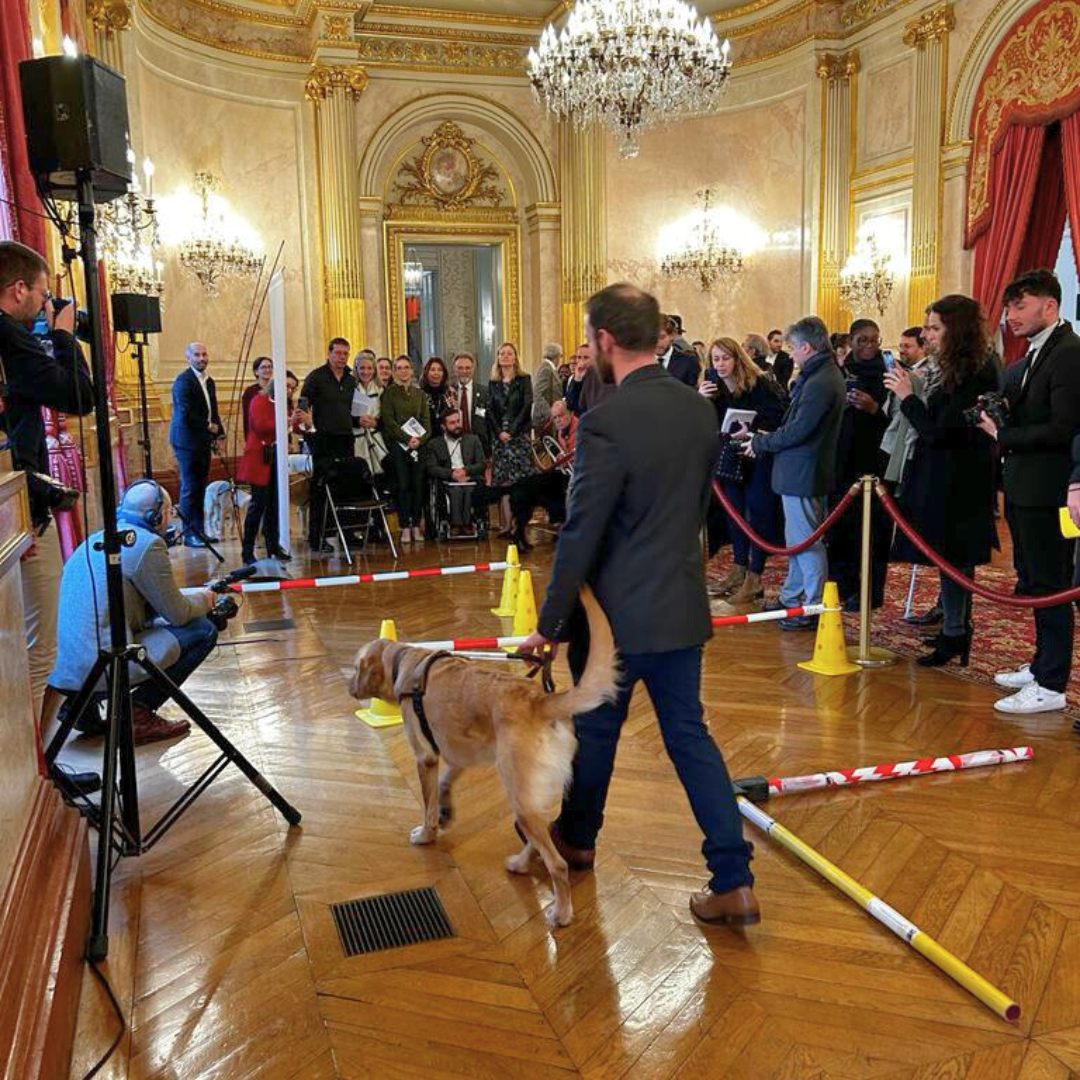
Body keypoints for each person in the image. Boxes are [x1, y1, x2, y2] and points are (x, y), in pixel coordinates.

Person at [518, 283, 758, 926]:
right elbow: (697, 509)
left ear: (603, 340)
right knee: (690, 736)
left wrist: (547, 625)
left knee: (596, 733)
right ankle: (733, 877)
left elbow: (581, 528)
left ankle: (575, 839)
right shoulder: (699, 411)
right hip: (680, 604)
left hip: (615, 620)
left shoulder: (606, 421)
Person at [50, 481, 231, 744]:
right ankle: (139, 712)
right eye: (169, 512)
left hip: (67, 671)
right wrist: (207, 600)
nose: (170, 519)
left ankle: (82, 707)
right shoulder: (147, 544)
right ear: (156, 515)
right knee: (203, 630)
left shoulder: (96, 539)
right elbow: (177, 614)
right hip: (104, 665)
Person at [0, 240, 94, 728]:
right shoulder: (10, 339)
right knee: (38, 645)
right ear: (18, 290)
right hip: (15, 512)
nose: (44, 306)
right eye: (41, 295)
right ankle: (35, 772)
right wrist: (62, 336)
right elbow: (80, 395)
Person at [982, 270, 1080, 714]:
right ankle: (1042, 664)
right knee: (1035, 581)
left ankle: (1052, 684)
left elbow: (1064, 428)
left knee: (1052, 584)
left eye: (1020, 306)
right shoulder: (1038, 352)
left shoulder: (1068, 353)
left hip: (1050, 491)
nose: (1010, 316)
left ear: (1050, 306)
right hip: (1025, 487)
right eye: (1008, 307)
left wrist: (1002, 434)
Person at [885, 296, 999, 668]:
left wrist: (907, 398)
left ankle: (956, 632)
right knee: (949, 557)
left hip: (959, 481)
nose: (927, 335)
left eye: (935, 328)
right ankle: (953, 628)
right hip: (943, 477)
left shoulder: (974, 372)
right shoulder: (945, 368)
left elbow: (940, 430)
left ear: (957, 330)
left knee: (956, 557)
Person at [737, 317, 845, 630]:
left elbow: (800, 430)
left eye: (793, 348)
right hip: (801, 470)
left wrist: (761, 442)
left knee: (806, 543)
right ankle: (793, 596)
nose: (791, 354)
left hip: (804, 471)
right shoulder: (820, 374)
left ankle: (811, 607)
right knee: (798, 539)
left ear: (806, 347)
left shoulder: (821, 380)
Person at [700, 338, 787, 606]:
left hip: (756, 456)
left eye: (726, 358)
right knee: (733, 514)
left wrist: (750, 430)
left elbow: (777, 416)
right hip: (728, 459)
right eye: (715, 359)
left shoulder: (758, 382)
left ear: (738, 359)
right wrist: (700, 400)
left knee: (757, 513)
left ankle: (754, 577)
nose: (720, 364)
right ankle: (738, 569)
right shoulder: (714, 388)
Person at [828, 318, 890, 611]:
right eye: (862, 340)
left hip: (874, 462)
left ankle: (869, 592)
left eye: (874, 340)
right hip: (842, 459)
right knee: (841, 528)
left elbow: (899, 422)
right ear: (850, 341)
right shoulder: (839, 371)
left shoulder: (889, 373)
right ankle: (842, 586)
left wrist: (874, 408)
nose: (869, 346)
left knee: (871, 532)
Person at [300, 337, 357, 552]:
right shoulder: (316, 377)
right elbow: (303, 406)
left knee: (346, 487)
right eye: (338, 353)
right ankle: (317, 538)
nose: (342, 357)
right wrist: (309, 426)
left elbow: (354, 411)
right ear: (329, 353)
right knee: (320, 489)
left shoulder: (351, 380)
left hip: (345, 439)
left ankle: (346, 534)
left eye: (345, 354)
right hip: (323, 440)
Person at [169, 341, 224, 546]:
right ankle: (190, 534)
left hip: (202, 440)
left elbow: (213, 409)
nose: (202, 358)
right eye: (197, 355)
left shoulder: (209, 381)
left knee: (199, 487)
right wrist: (209, 426)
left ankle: (199, 531)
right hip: (186, 441)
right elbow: (186, 413)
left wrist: (219, 433)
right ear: (188, 357)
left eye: (204, 354)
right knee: (190, 488)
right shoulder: (183, 381)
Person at [237, 375, 289, 565]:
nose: (289, 392)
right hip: (260, 458)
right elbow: (261, 426)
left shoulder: (284, 405)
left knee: (275, 506)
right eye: (287, 387)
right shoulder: (259, 400)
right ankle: (247, 550)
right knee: (258, 506)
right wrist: (286, 421)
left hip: (276, 457)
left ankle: (273, 547)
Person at [381, 354, 431, 545]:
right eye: (399, 368)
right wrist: (406, 438)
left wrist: (419, 439)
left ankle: (417, 524)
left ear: (412, 370)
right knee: (403, 486)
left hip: (418, 446)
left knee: (418, 485)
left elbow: (426, 421)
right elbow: (389, 421)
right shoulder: (390, 393)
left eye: (406, 367)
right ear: (394, 372)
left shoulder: (419, 395)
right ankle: (404, 526)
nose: (403, 371)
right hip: (398, 446)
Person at [488, 342, 535, 533]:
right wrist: (500, 432)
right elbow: (490, 411)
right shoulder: (493, 383)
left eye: (510, 353)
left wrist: (512, 432)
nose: (506, 356)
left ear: (515, 357)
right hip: (500, 440)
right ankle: (506, 525)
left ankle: (519, 524)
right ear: (498, 358)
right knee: (504, 483)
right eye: (502, 354)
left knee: (519, 483)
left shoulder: (524, 379)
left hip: (519, 437)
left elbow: (526, 406)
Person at [425, 407, 486, 532]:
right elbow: (431, 468)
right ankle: (457, 525)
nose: (457, 425)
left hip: (469, 478)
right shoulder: (434, 444)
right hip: (448, 480)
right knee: (456, 489)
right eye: (452, 423)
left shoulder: (473, 440)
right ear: (443, 426)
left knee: (468, 488)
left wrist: (465, 471)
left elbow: (482, 464)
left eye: (458, 421)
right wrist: (451, 474)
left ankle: (468, 524)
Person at [352, 351, 388, 484]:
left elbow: (387, 418)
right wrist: (357, 421)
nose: (366, 372)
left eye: (369, 368)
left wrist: (376, 423)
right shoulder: (352, 388)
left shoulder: (381, 390)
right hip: (357, 440)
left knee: (380, 476)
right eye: (362, 368)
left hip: (377, 438)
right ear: (356, 369)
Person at [450, 351, 490, 457]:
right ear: (454, 370)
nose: (464, 371)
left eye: (468, 368)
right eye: (460, 368)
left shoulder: (485, 392)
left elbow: (491, 422)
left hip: (480, 448)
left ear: (473, 369)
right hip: (453, 447)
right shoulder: (448, 391)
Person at [564, 340, 615, 415]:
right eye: (579, 357)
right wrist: (577, 380)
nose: (581, 361)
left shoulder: (603, 378)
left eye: (586, 358)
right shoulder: (575, 377)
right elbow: (570, 405)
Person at [656, 314, 699, 386]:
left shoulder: (688, 361)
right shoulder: (640, 362)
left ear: (672, 336)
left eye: (661, 337)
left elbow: (693, 393)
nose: (656, 342)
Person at [532, 342, 563, 431]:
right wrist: (551, 414)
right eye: (561, 356)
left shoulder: (549, 368)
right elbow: (538, 394)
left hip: (549, 420)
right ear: (557, 356)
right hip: (545, 421)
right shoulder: (546, 369)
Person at [420, 356, 453, 438]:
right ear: (426, 372)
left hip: (445, 440)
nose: (436, 373)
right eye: (432, 370)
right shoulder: (419, 394)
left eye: (440, 370)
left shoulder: (449, 393)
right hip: (425, 440)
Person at [241, 356, 272, 439]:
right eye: (263, 367)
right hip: (256, 437)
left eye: (270, 367)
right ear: (256, 372)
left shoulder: (276, 390)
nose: (268, 370)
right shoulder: (250, 392)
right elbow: (247, 418)